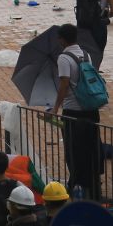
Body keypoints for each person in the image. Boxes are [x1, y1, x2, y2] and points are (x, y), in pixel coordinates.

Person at [51, 22, 103, 200]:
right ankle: (94, 187)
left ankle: (77, 186)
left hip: (73, 112)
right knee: (91, 149)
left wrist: (56, 108)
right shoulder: (86, 55)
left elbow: (64, 85)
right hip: (91, 110)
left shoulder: (64, 58)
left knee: (74, 153)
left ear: (62, 40)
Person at [53, 0, 112, 65]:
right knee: (97, 54)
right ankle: (93, 75)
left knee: (82, 53)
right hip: (98, 27)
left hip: (82, 24)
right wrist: (107, 12)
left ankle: (81, 73)